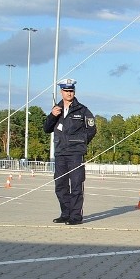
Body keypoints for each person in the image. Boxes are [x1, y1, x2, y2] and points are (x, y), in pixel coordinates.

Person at [44, 78, 97, 225]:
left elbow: (92, 130)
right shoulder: (57, 110)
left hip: (75, 154)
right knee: (60, 186)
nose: (69, 93)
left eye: (71, 90)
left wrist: (80, 142)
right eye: (66, 91)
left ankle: (75, 216)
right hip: (60, 153)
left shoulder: (83, 110)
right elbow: (46, 129)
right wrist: (52, 115)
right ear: (61, 92)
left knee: (76, 185)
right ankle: (65, 213)